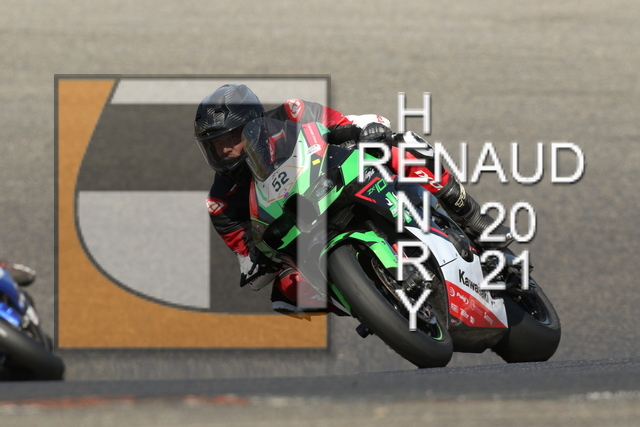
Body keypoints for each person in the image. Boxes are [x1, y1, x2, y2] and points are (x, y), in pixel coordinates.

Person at [194, 84, 512, 315]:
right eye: (215, 145)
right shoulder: (221, 201)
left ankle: (471, 216)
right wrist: (256, 261)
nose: (224, 150)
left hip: (334, 179)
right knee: (286, 291)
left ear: (253, 126)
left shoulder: (290, 114)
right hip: (298, 232)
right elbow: (246, 255)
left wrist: (362, 132)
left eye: (231, 138)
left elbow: (339, 125)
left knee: (400, 144)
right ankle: (367, 304)